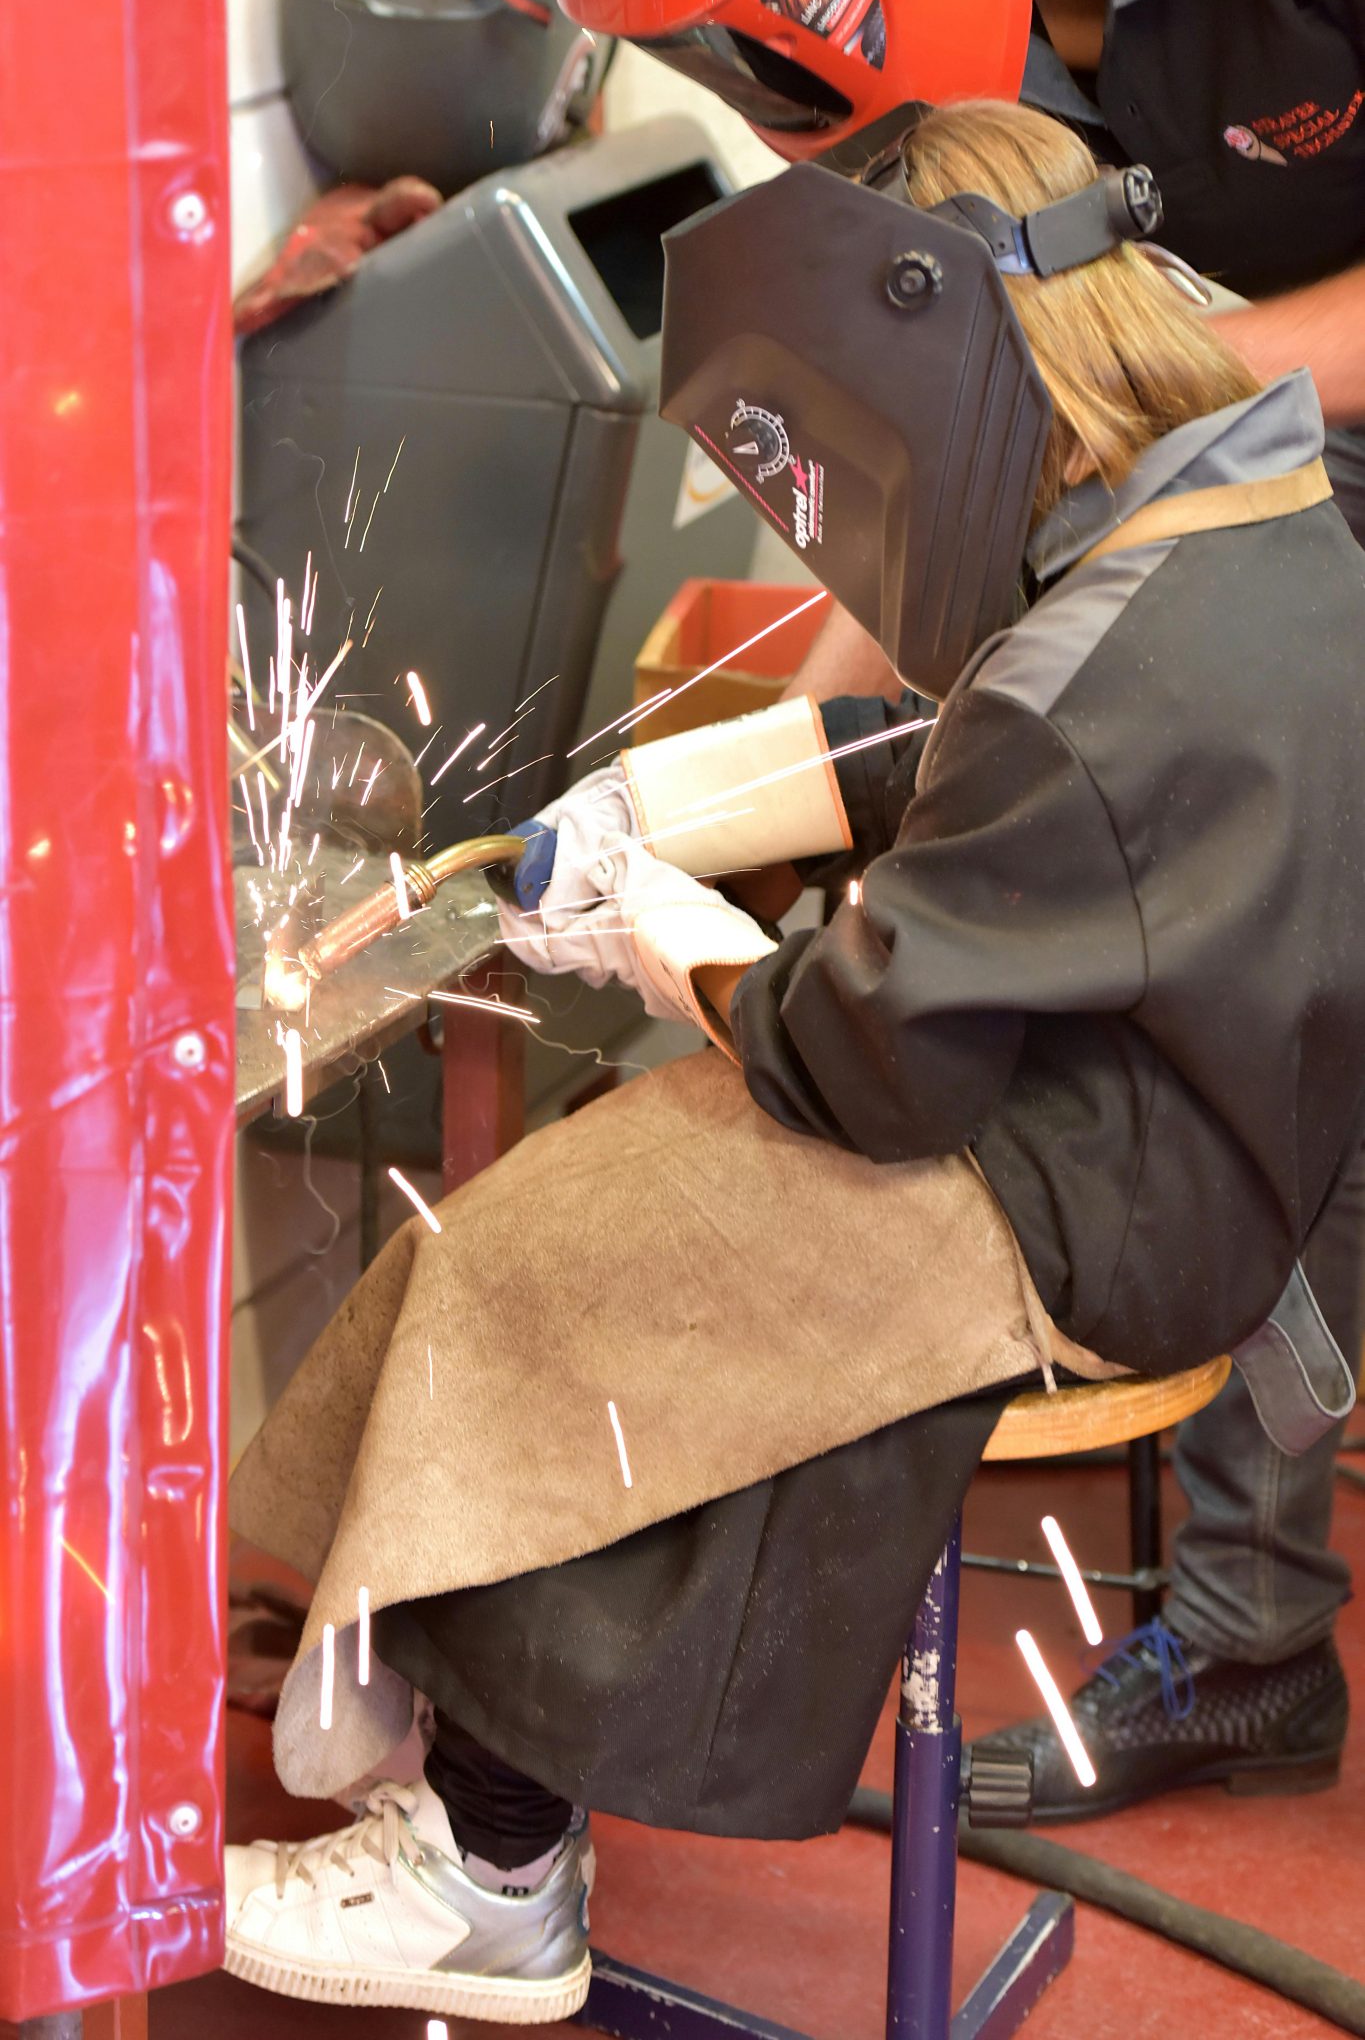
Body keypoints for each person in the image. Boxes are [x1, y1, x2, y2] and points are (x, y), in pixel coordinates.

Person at [224, 99, 1365, 2022]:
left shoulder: (1091, 694)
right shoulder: (1236, 517)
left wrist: (687, 951)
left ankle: (487, 1871)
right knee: (618, 1175)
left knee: (558, 1274)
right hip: (1191, 1125)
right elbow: (1000, 746)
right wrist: (688, 798)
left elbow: (865, 1067)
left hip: (1092, 1205)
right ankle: (429, 1663)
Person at [592, 0, 1365, 1820]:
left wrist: (1117, 370)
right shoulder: (908, 31)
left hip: (1289, 460)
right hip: (1163, 442)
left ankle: (1249, 1631)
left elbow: (1054, 399)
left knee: (1278, 991)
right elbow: (934, 462)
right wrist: (793, 766)